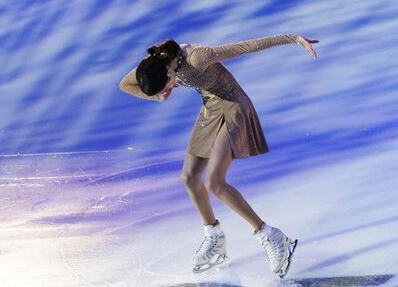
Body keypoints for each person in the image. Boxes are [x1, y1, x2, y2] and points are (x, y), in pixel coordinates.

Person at [119, 34, 318, 278]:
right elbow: (125, 84)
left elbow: (246, 45)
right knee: (190, 178)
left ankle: (272, 236)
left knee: (214, 182)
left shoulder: (197, 58)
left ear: (169, 73)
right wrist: (157, 95)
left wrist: (293, 38)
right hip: (211, 108)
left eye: (166, 86)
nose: (169, 91)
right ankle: (215, 238)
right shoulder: (153, 63)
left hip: (235, 107)